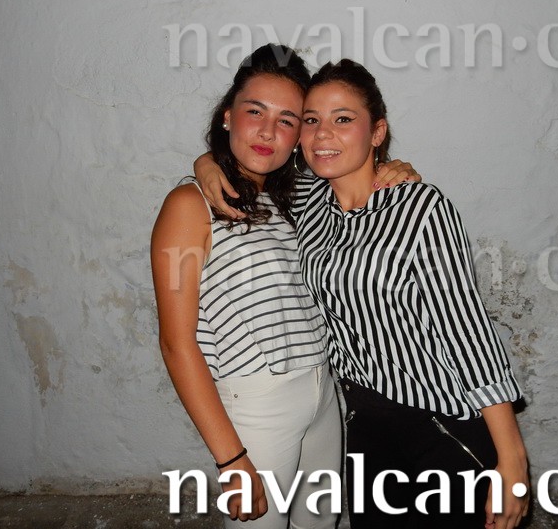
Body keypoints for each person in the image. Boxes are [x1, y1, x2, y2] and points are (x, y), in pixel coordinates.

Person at [197, 59, 530, 528]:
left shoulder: (419, 208)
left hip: (438, 424)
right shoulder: (308, 201)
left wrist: (511, 457)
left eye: (343, 119)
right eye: (311, 120)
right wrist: (206, 163)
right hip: (361, 425)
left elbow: (467, 332)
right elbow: (252, 160)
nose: (323, 134)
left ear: (377, 132)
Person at [152, 44, 417, 529]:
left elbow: (355, 174)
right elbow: (176, 342)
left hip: (324, 396)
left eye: (288, 120)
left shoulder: (295, 198)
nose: (268, 131)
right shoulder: (188, 206)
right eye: (255, 111)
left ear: (298, 136)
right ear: (227, 115)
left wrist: (392, 168)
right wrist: (232, 459)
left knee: (322, 524)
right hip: (257, 404)